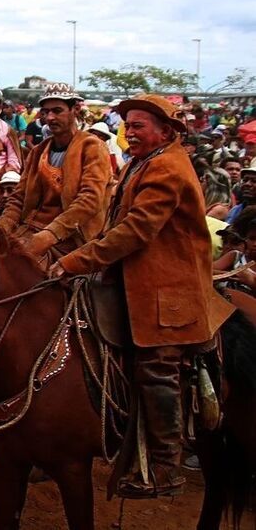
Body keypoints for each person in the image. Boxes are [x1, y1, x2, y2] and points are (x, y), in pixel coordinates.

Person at [50, 94, 235, 498]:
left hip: (169, 286)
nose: (129, 133)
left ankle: (166, 466)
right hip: (132, 276)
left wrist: (76, 261)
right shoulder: (142, 160)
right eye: (127, 126)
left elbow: (135, 230)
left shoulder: (168, 167)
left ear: (165, 131)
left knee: (156, 367)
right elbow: (116, 223)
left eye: (138, 126)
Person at [0, 82, 112, 266]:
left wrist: (50, 234)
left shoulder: (92, 147)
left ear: (75, 109)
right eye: (45, 112)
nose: (50, 117)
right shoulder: (37, 152)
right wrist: (0, 228)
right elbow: (18, 197)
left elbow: (90, 200)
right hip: (29, 230)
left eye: (57, 111)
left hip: (71, 237)